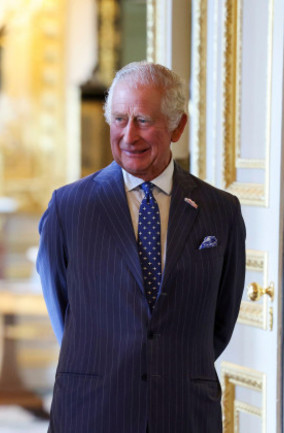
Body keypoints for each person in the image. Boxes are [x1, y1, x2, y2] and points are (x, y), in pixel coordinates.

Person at [36, 61, 246, 433]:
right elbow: (63, 310)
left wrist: (168, 366)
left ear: (178, 126)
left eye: (143, 121)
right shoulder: (69, 207)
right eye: (119, 119)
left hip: (185, 411)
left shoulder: (221, 211)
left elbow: (221, 319)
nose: (128, 135)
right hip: (92, 409)